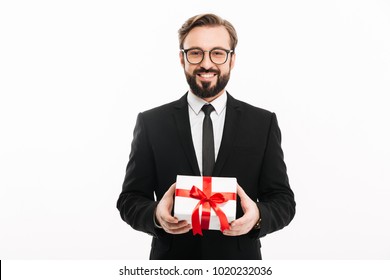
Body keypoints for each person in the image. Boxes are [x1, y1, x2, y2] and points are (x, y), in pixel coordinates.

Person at [117, 13, 295, 260]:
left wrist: (258, 216)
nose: (206, 63)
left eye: (218, 53)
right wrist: (156, 214)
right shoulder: (151, 123)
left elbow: (283, 201)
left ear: (232, 60)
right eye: (196, 52)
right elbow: (130, 200)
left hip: (239, 265)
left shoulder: (262, 123)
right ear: (182, 58)